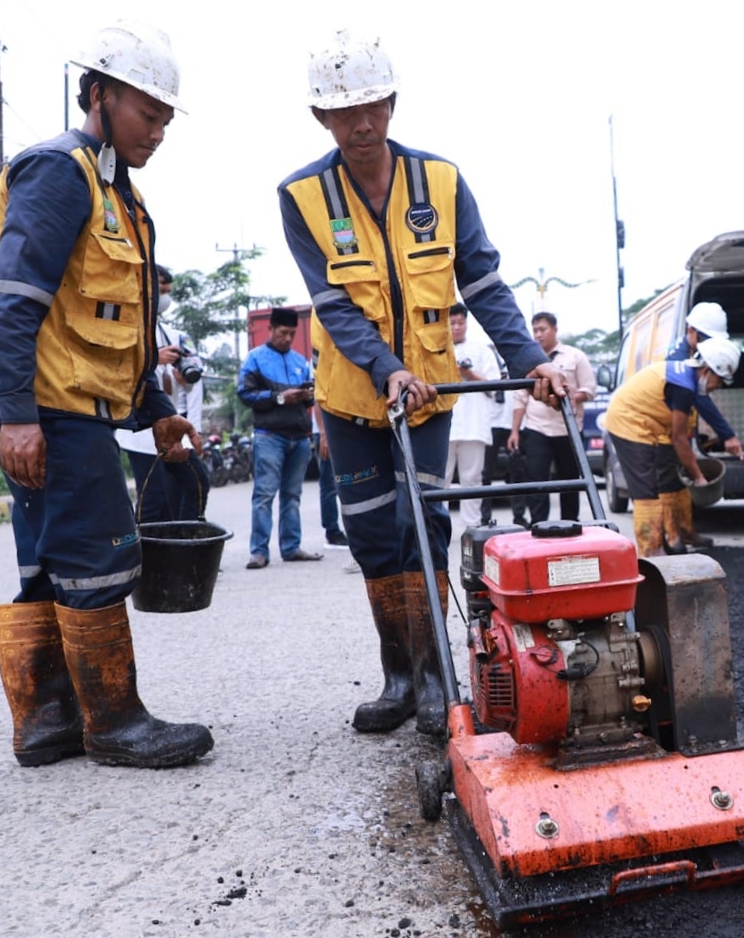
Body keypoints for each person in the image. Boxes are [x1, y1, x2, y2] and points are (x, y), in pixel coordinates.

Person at [278, 29, 567, 737]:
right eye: (344, 112)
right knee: (373, 534)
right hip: (353, 398)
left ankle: (437, 675)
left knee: (426, 525)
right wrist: (387, 368)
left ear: (392, 102)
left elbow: (484, 281)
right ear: (321, 118)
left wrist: (529, 358)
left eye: (373, 105)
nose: (362, 123)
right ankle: (398, 677)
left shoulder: (439, 181)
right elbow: (335, 305)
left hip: (430, 393)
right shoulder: (302, 196)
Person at [0, 21, 213, 769]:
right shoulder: (58, 171)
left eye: (167, 117)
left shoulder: (121, 198)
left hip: (70, 405)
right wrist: (17, 418)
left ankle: (45, 723)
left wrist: (158, 412)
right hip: (45, 408)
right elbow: (12, 301)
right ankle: (114, 721)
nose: (159, 131)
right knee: (98, 553)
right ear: (99, 95)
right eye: (148, 111)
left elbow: (112, 324)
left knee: (47, 562)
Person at [603, 337, 742, 557]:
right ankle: (651, 553)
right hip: (628, 423)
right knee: (646, 491)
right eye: (720, 380)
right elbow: (679, 438)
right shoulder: (684, 386)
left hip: (648, 426)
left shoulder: (688, 378)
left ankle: (670, 540)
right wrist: (698, 476)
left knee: (662, 485)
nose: (717, 387)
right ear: (707, 370)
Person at [116, 264, 210, 523]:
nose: (165, 298)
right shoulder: (126, 326)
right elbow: (121, 367)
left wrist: (184, 372)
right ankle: (146, 556)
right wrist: (155, 360)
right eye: (160, 290)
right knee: (152, 500)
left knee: (192, 485)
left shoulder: (173, 333)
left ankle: (185, 545)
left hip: (172, 424)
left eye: (168, 291)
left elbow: (194, 380)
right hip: (141, 430)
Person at [237, 307, 322, 569]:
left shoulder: (299, 361)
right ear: (271, 329)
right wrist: (280, 398)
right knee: (264, 494)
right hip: (269, 437)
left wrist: (307, 395)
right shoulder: (255, 359)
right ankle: (259, 552)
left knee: (292, 495)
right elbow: (245, 394)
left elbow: (312, 393)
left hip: (298, 437)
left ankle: (291, 547)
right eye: (283, 332)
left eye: (292, 334)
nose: (287, 338)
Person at [663, 301, 741, 549]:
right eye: (706, 337)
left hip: (680, 421)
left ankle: (685, 530)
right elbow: (696, 396)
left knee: (683, 474)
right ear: (691, 331)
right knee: (669, 480)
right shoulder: (678, 356)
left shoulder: (695, 352)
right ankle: (669, 537)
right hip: (662, 424)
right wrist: (726, 434)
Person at [508, 312, 596, 525]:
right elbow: (520, 399)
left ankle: (570, 524)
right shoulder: (529, 363)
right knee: (537, 481)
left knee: (571, 481)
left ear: (555, 330)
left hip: (569, 430)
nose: (538, 334)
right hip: (537, 429)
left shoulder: (575, 356)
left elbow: (590, 389)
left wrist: (569, 396)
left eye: (543, 329)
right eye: (535, 330)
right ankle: (539, 525)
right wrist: (514, 431)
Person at [445, 304, 498, 530]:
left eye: (460, 322)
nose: (456, 327)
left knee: (472, 480)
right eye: (452, 323)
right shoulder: (435, 350)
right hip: (443, 425)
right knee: (440, 482)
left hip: (474, 425)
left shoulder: (482, 351)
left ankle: (472, 528)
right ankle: (437, 527)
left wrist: (469, 373)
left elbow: (494, 387)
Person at [308, 312, 349, 550]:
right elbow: (318, 398)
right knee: (329, 485)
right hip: (327, 430)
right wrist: (324, 434)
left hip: (344, 428)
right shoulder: (319, 356)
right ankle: (332, 531)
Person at [479, 344, 528, 527]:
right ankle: (484, 518)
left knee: (517, 472)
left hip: (512, 422)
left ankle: (519, 516)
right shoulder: (485, 358)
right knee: (485, 474)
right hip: (490, 422)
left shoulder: (518, 358)